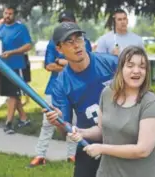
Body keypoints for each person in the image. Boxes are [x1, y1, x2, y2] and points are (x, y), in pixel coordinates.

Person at [46, 46, 155, 177]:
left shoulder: (150, 102)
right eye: (130, 65)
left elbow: (142, 150)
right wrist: (82, 132)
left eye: (142, 67)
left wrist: (102, 148)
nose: (136, 71)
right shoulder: (107, 93)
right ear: (120, 69)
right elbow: (101, 130)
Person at [42, 22, 118, 177]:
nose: (76, 45)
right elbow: (66, 132)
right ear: (59, 49)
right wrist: (59, 121)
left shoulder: (111, 63)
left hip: (122, 137)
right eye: (69, 42)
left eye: (79, 39)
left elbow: (140, 94)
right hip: (89, 142)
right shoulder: (61, 85)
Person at [28, 10, 93, 167]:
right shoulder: (54, 43)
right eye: (63, 22)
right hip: (54, 88)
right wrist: (71, 63)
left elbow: (86, 64)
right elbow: (49, 65)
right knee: (48, 122)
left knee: (73, 124)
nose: (66, 25)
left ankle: (72, 155)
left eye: (69, 21)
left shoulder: (85, 41)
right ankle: (40, 155)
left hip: (77, 89)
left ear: (75, 22)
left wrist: (62, 61)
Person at [0, 6, 32, 134]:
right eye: (6, 13)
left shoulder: (21, 28)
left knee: (12, 95)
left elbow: (28, 45)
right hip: (4, 66)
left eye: (10, 13)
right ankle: (24, 119)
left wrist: (13, 52)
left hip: (17, 66)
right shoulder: (0, 28)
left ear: (14, 15)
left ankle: (9, 123)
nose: (7, 15)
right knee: (12, 94)